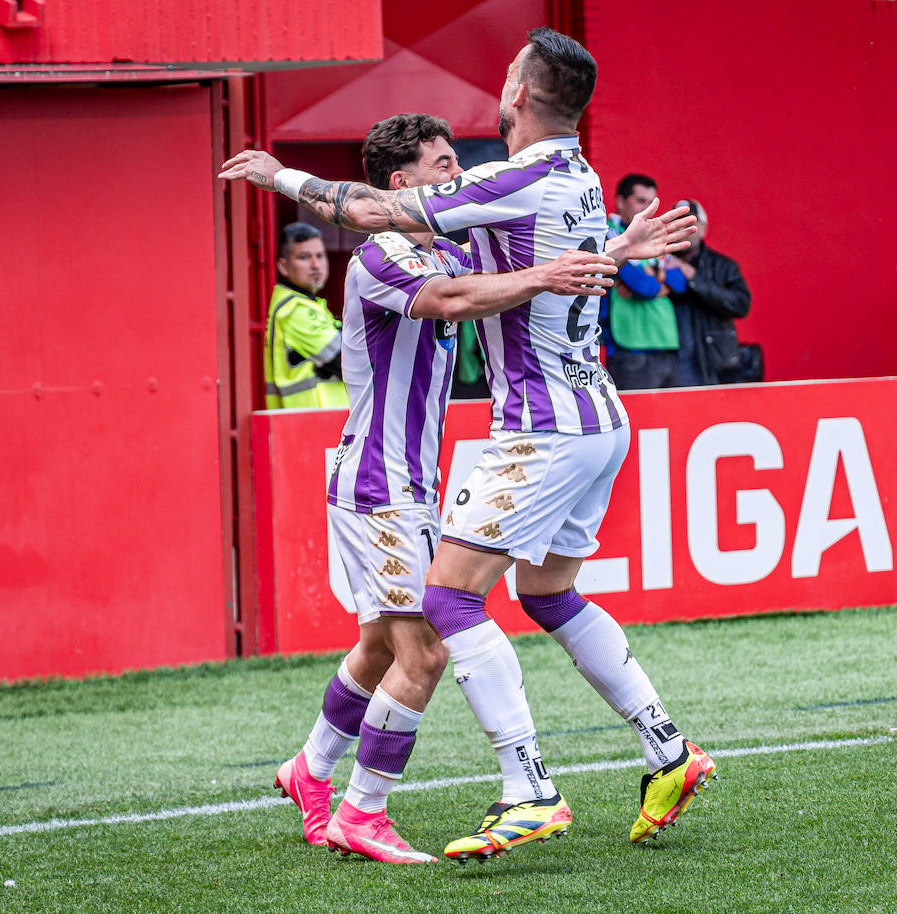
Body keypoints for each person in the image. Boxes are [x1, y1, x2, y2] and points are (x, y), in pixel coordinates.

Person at [221, 27, 715, 863]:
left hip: (542, 428)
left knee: (438, 615)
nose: (456, 174)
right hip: (575, 424)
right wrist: (600, 255)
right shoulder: (577, 178)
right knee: (499, 610)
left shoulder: (503, 185)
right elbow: (473, 281)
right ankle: (666, 748)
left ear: (520, 90)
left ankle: (525, 790)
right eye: (440, 165)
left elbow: (416, 239)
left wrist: (279, 175)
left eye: (458, 162)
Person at [273, 113, 617, 865]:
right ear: (404, 184)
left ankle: (310, 768)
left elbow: (514, 273)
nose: (456, 175)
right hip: (379, 483)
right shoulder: (383, 256)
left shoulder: (447, 244)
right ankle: (364, 813)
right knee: (424, 650)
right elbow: (454, 300)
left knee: (377, 645)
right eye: (443, 163)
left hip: (405, 480)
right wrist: (542, 276)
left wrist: (614, 249)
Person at [662, 198, 753, 385]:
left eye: (691, 224)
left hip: (715, 364)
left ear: (703, 228)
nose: (684, 230)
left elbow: (741, 305)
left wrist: (694, 278)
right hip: (671, 362)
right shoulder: (658, 262)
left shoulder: (723, 266)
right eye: (678, 224)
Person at [604, 174, 681, 389]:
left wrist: (656, 278)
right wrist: (662, 283)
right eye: (640, 201)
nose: (647, 209)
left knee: (676, 419)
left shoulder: (654, 234)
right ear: (620, 202)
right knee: (640, 420)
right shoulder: (608, 235)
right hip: (630, 347)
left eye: (651, 203)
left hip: (666, 343)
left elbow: (682, 282)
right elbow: (643, 287)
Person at [264, 223, 349, 409]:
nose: (315, 265)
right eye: (304, 257)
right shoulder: (294, 310)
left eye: (319, 256)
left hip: (313, 419)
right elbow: (350, 361)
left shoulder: (303, 304)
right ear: (283, 266)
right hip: (310, 420)